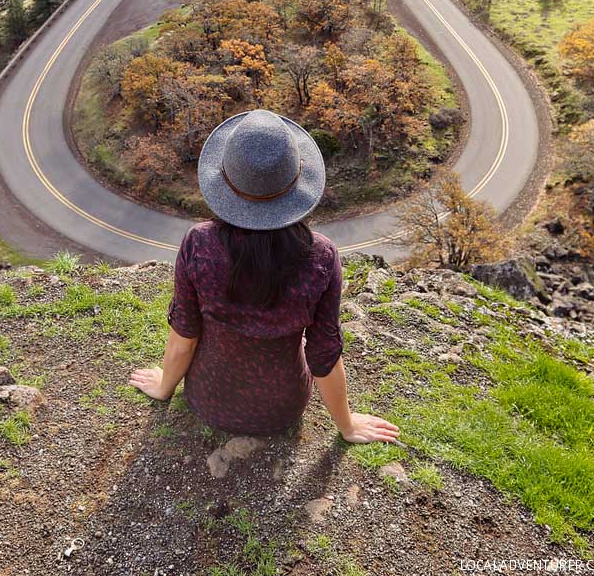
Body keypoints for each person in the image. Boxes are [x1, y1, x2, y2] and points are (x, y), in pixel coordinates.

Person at [129, 108, 399, 445]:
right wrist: (347, 426)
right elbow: (323, 354)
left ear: (225, 181)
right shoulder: (321, 257)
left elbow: (185, 334)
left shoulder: (198, 243)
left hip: (207, 398)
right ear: (296, 183)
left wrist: (164, 386)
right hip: (282, 409)